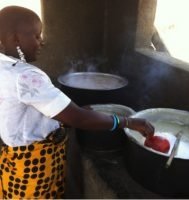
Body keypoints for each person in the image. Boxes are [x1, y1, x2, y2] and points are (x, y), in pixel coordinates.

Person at [0, 6, 154, 199]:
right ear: (15, 39)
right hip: (36, 163)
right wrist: (128, 122)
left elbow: (26, 113)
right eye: (36, 36)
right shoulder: (25, 76)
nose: (41, 42)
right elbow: (79, 120)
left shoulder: (4, 67)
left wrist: (72, 113)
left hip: (15, 160)